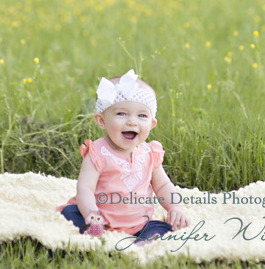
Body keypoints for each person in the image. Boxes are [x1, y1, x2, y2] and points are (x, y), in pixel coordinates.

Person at [58, 68, 189, 243]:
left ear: (151, 124)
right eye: (121, 113)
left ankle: (142, 241)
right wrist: (92, 215)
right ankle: (95, 230)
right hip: (100, 218)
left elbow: (163, 185)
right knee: (70, 213)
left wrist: (175, 207)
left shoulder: (150, 153)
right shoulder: (98, 152)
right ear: (101, 120)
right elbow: (85, 189)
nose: (132, 121)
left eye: (142, 115)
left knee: (162, 228)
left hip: (140, 224)